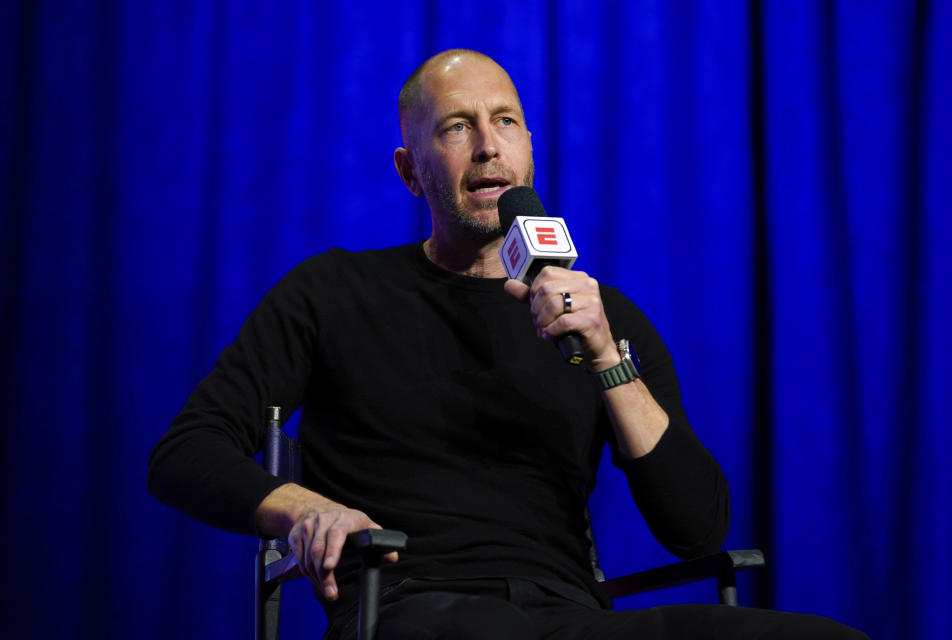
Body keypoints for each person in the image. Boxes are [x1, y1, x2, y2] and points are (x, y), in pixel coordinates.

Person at [148, 49, 867, 639]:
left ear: (528, 152)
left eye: (505, 122)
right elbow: (185, 452)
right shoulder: (332, 292)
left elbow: (697, 528)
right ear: (410, 171)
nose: (488, 145)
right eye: (457, 127)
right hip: (408, 608)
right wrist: (304, 509)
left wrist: (608, 358)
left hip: (568, 617)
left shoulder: (598, 314)